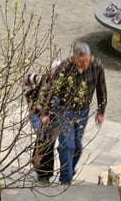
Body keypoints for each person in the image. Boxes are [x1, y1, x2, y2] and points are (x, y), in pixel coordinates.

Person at [44, 42, 107, 185]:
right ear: (74, 58)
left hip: (83, 111)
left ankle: (68, 170)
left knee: (77, 145)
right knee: (68, 144)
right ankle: (66, 180)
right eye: (81, 61)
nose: (85, 64)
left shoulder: (96, 66)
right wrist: (46, 112)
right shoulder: (64, 68)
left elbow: (101, 89)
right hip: (64, 110)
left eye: (87, 60)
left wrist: (101, 111)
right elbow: (51, 89)